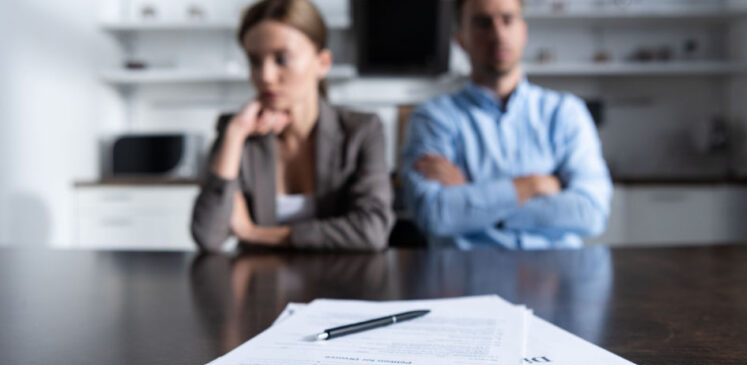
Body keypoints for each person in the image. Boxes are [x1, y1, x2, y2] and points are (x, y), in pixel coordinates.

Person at [401, 0, 612, 249]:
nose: (498, 34)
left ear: (524, 31)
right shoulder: (433, 118)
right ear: (460, 40)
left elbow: (592, 213)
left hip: (557, 278)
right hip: (467, 278)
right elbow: (434, 214)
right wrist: (531, 186)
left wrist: (473, 197)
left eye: (508, 20)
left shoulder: (566, 112)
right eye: (482, 23)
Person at [191, 0, 393, 252]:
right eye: (255, 61)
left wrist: (255, 234)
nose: (265, 76)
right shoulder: (238, 131)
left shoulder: (362, 130)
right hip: (260, 286)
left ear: (323, 63)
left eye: (282, 58)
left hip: (337, 283)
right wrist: (235, 135)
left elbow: (372, 231)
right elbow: (208, 236)